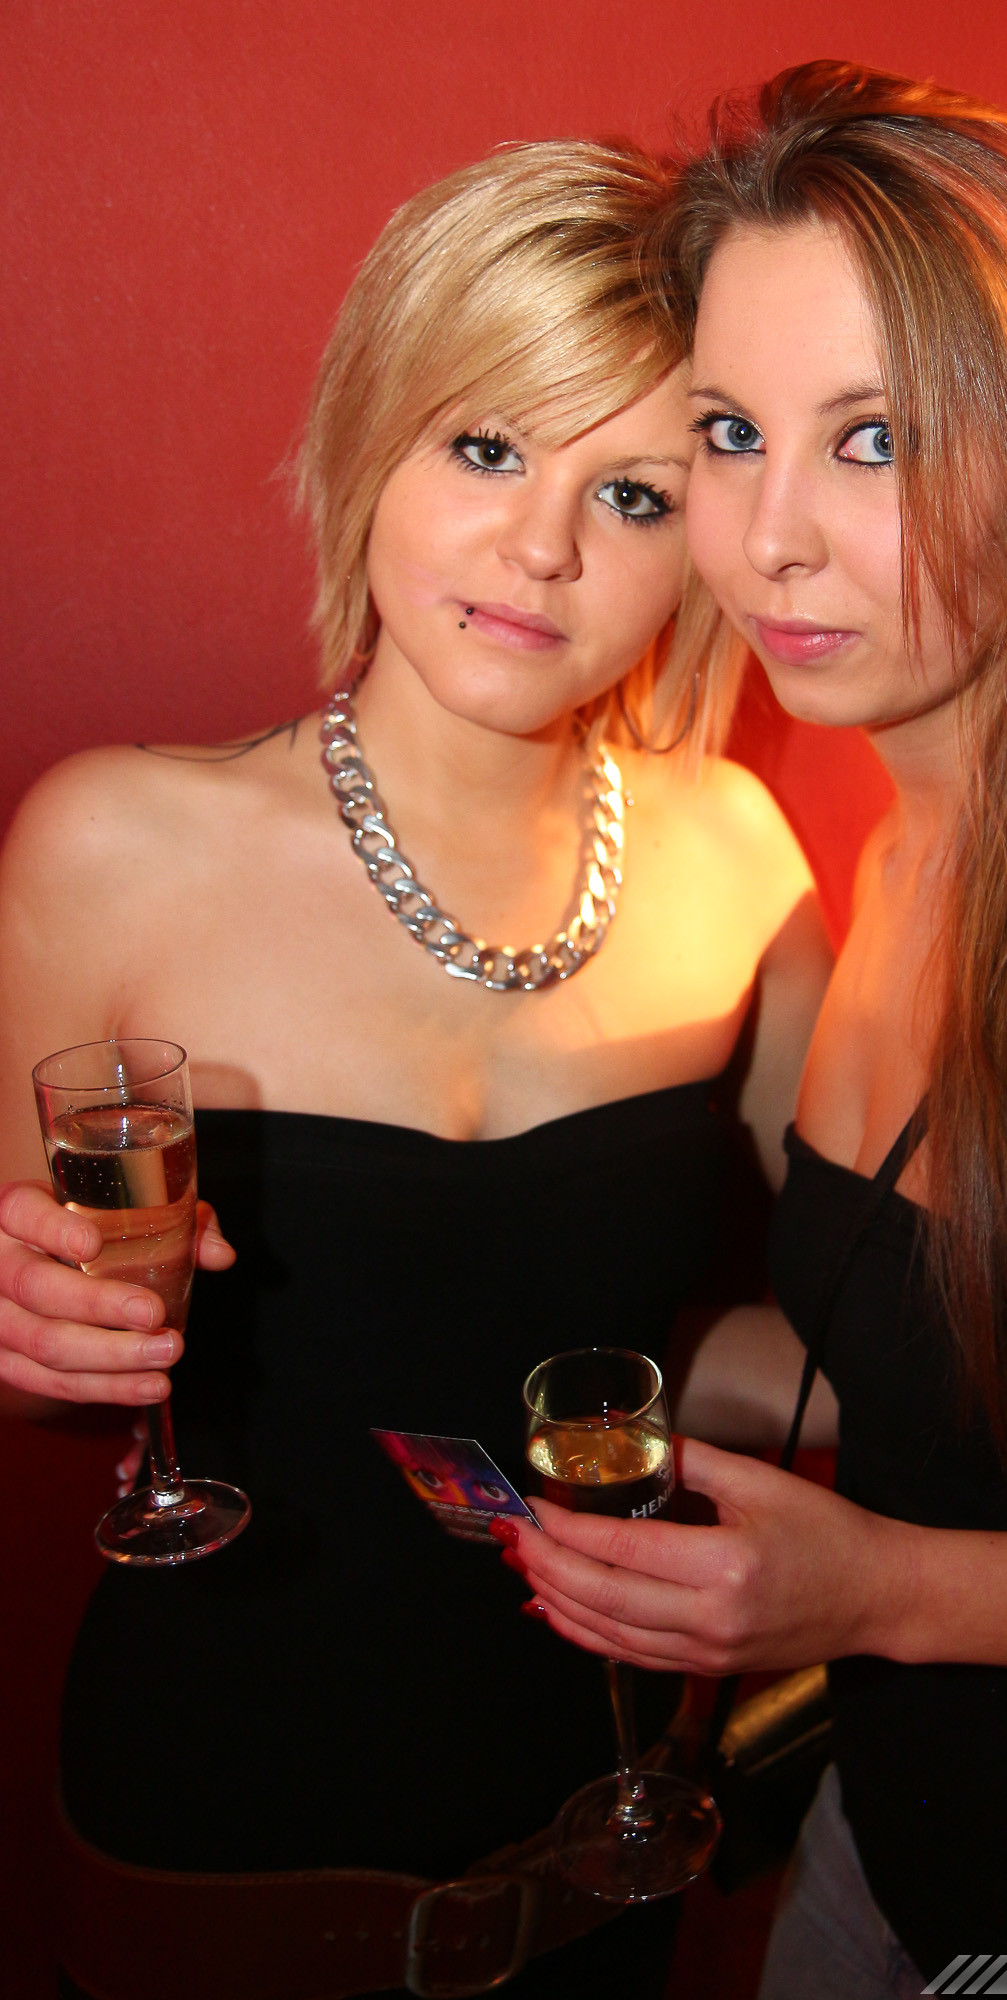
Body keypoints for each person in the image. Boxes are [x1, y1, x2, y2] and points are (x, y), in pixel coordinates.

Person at [504, 63, 1007, 1989]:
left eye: (872, 439)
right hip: (888, 1851)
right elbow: (945, 1371)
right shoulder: (905, 850)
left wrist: (876, 1591)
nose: (768, 538)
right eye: (730, 432)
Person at [0, 139, 830, 1998]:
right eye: (485, 447)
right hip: (213, 1800)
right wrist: (35, 1342)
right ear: (372, 434)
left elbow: (830, 1341)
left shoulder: (738, 858)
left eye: (631, 493)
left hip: (599, 1803)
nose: (542, 548)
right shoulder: (110, 849)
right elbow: (50, 1371)